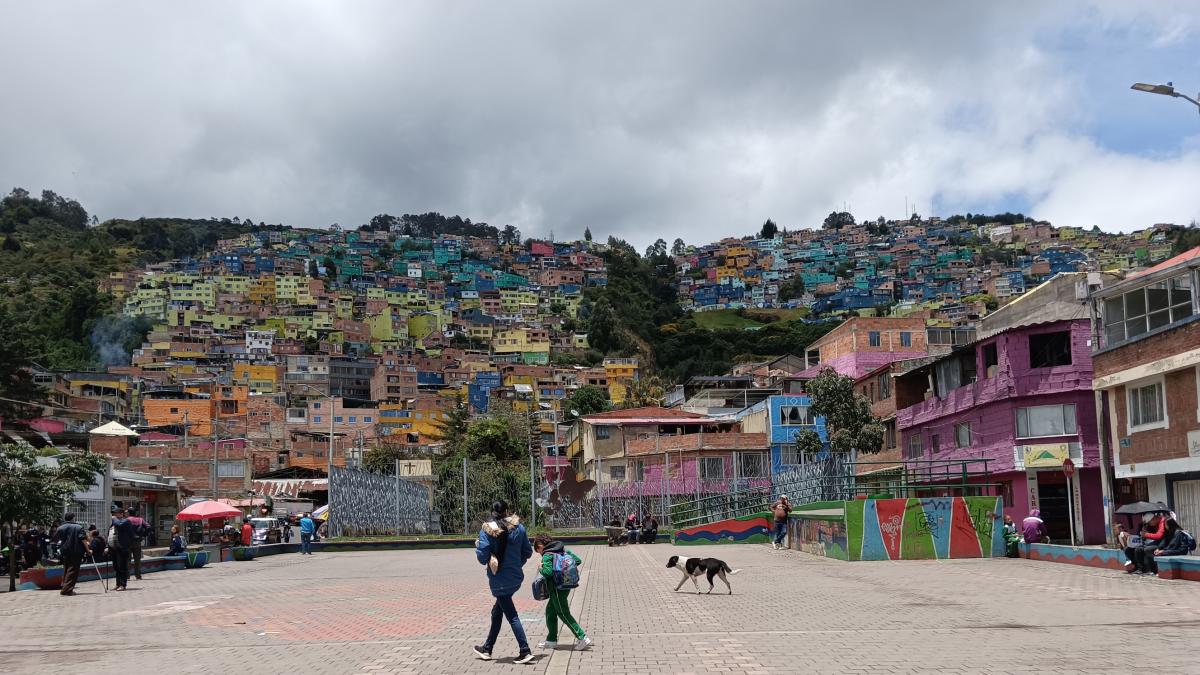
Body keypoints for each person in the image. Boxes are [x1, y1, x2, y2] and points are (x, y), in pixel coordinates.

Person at [473, 500, 534, 664]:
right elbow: (528, 552)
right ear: (508, 511)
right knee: (497, 612)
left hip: (499, 579)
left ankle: (525, 650)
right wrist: (516, 564)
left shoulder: (487, 530)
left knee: (512, 616)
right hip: (515, 577)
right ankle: (487, 648)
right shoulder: (519, 528)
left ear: (492, 512)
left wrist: (478, 547)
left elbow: (482, 557)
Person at [532, 534, 592, 652]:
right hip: (566, 585)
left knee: (563, 613)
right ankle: (551, 640)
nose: (539, 553)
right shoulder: (562, 550)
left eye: (538, 551)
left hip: (556, 588)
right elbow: (578, 561)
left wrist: (540, 567)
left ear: (540, 546)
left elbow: (548, 572)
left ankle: (582, 637)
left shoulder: (547, 555)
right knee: (550, 611)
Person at [53, 513, 87, 596]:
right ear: (73, 518)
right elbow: (83, 539)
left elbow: (56, 539)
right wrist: (88, 550)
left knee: (67, 568)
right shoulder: (78, 527)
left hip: (65, 551)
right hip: (76, 551)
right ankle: (67, 590)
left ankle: (64, 585)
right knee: (73, 570)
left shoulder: (60, 528)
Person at [108, 508, 137, 591]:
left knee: (122, 567)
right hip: (114, 547)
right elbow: (110, 534)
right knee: (116, 567)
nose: (113, 515)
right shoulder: (114, 523)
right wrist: (107, 546)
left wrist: (114, 519)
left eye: (115, 513)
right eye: (113, 514)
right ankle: (118, 584)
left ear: (121, 514)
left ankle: (123, 584)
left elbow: (120, 525)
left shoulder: (125, 521)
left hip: (122, 547)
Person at [127, 507, 149, 581]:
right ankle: (138, 576)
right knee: (137, 560)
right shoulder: (140, 519)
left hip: (128, 542)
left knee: (127, 560)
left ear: (129, 513)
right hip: (137, 542)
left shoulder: (127, 520)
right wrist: (143, 535)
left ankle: (127, 576)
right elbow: (148, 527)